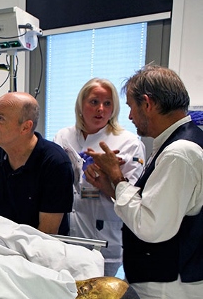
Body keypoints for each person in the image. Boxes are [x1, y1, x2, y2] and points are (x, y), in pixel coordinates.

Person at [85, 64, 203, 299]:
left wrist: (116, 175)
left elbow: (151, 226)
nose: (129, 116)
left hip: (167, 298)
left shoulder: (179, 153)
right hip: (161, 287)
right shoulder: (178, 143)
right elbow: (153, 205)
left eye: (131, 107)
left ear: (147, 104)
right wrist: (111, 187)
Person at [54, 78, 146, 276]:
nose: (100, 109)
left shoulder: (129, 143)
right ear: (81, 105)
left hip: (105, 237)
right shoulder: (63, 136)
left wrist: (107, 177)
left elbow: (134, 198)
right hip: (67, 237)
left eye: (107, 103)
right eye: (94, 102)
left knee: (99, 292)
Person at [0, 92, 74, 235]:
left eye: (0, 118)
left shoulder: (55, 163)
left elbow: (47, 232)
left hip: (41, 244)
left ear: (25, 127)